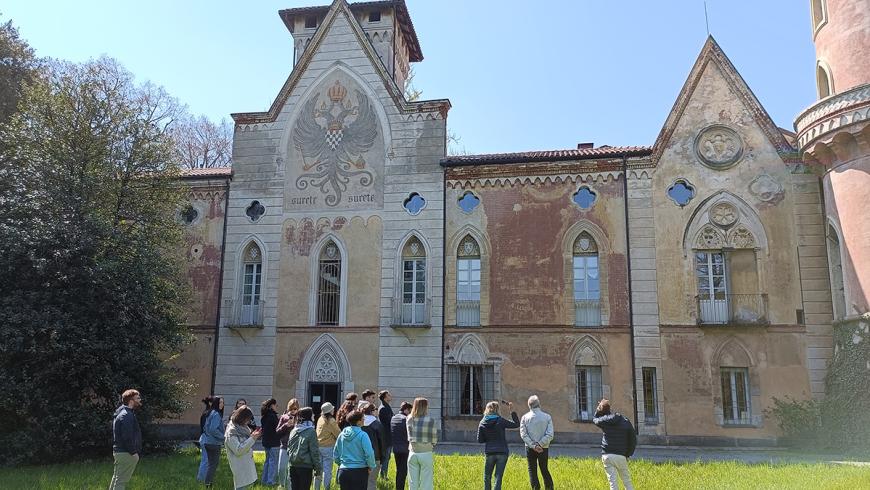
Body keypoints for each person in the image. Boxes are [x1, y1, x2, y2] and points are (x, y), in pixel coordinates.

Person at [592, 399, 637, 490]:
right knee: (627, 482)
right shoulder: (625, 421)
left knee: (613, 483)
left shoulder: (605, 421)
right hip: (621, 455)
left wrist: (598, 409)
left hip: (607, 455)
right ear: (610, 409)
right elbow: (633, 440)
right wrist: (628, 454)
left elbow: (595, 419)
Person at [477, 401, 520, 490]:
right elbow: (516, 424)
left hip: (490, 452)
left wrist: (489, 438)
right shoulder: (500, 420)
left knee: (487, 476)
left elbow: (480, 440)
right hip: (502, 452)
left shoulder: (482, 422)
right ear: (497, 410)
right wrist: (512, 411)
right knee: (498, 477)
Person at [333, 410, 376, 490]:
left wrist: (341, 464)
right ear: (358, 421)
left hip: (344, 471)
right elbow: (369, 453)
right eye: (363, 418)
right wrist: (371, 466)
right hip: (359, 471)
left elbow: (336, 453)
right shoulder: (363, 435)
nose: (364, 420)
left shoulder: (342, 434)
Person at [109, 389, 142, 490]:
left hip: (121, 452)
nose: (140, 400)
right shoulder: (126, 415)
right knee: (120, 482)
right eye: (138, 398)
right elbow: (127, 436)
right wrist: (133, 453)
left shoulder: (123, 412)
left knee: (117, 479)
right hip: (126, 453)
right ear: (131, 401)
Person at [520, 395, 554, 490]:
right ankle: (549, 487)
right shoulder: (547, 417)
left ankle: (535, 488)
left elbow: (523, 434)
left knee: (532, 469)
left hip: (530, 447)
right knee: (544, 468)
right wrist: (540, 444)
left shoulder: (524, 417)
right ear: (539, 404)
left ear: (529, 405)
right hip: (544, 447)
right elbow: (550, 434)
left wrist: (533, 445)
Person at [225, 405, 263, 490]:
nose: (249, 421)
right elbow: (238, 450)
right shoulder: (231, 431)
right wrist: (252, 438)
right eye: (248, 419)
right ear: (242, 418)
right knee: (240, 487)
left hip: (245, 465)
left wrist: (253, 436)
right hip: (239, 466)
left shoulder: (241, 427)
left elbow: (245, 442)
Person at [406, 397, 438, 490]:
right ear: (425, 407)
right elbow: (434, 438)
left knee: (412, 482)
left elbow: (409, 435)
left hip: (412, 452)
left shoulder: (409, 418)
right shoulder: (430, 420)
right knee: (426, 482)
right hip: (425, 452)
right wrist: (432, 444)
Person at [288, 407, 322, 490]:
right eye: (312, 414)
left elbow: (289, 448)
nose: (314, 415)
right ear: (309, 416)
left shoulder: (294, 430)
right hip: (305, 467)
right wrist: (318, 469)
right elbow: (314, 452)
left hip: (293, 465)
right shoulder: (311, 431)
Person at [359, 401, 387, 490]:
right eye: (375, 409)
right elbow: (382, 443)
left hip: (359, 457)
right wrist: (383, 458)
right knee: (371, 482)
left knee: (360, 483)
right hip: (375, 457)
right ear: (372, 411)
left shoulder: (358, 423)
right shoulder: (377, 424)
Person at [199, 396, 225, 487]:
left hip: (207, 442)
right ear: (215, 403)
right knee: (213, 465)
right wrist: (223, 437)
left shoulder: (210, 412)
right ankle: (208, 484)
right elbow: (213, 429)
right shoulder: (216, 414)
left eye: (222, 402)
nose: (222, 404)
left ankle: (207, 483)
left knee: (210, 464)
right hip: (213, 442)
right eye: (220, 402)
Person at [315, 401, 340, 490]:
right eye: (332, 409)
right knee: (327, 471)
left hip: (318, 446)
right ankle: (326, 488)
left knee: (318, 471)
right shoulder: (331, 421)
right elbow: (338, 434)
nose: (334, 410)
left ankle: (316, 488)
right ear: (330, 411)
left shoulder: (320, 419)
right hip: (328, 447)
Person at [276, 398, 300, 489]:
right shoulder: (284, 417)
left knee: (291, 470)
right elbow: (277, 432)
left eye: (295, 409)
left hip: (296, 447)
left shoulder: (300, 417)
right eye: (292, 409)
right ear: (289, 408)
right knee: (281, 468)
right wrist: (286, 425)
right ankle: (281, 485)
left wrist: (296, 426)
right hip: (284, 445)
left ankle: (290, 487)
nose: (294, 411)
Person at [390, 401, 413, 490]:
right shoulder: (406, 419)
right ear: (406, 410)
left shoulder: (393, 418)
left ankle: (398, 487)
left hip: (396, 448)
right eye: (410, 411)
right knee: (403, 472)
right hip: (405, 449)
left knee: (399, 470)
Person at [261, 398, 281, 486]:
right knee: (273, 462)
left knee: (267, 461)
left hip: (266, 442)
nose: (277, 407)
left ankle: (264, 480)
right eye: (276, 405)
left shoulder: (264, 416)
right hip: (274, 442)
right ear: (272, 405)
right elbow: (277, 428)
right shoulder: (272, 416)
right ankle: (271, 481)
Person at [377, 391, 394, 479]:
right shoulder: (383, 408)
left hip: (388, 435)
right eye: (388, 395)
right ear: (384, 397)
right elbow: (389, 422)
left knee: (387, 457)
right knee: (385, 457)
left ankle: (383, 475)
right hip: (386, 436)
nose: (390, 396)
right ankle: (383, 476)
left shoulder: (386, 406)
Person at [196, 396, 213, 483]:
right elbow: (207, 429)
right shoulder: (208, 414)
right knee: (206, 460)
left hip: (203, 438)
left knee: (205, 460)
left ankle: (202, 478)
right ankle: (201, 479)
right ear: (210, 403)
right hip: (206, 439)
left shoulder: (206, 412)